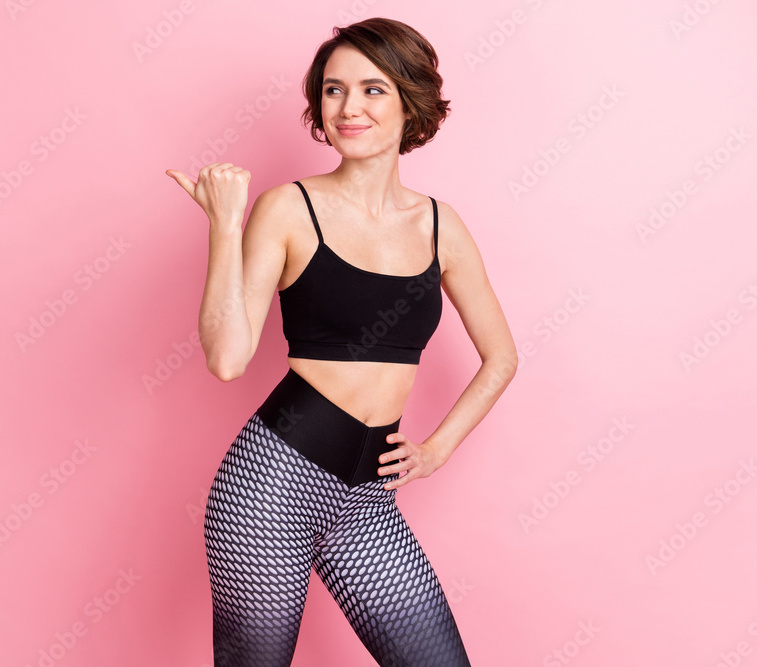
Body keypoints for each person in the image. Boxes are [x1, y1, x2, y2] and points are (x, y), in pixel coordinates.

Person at [166, 16, 516, 667]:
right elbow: (227, 359)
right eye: (333, 90)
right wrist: (224, 226)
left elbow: (502, 358)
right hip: (270, 491)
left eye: (372, 89)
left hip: (367, 503)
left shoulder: (441, 226)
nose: (349, 107)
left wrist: (436, 449)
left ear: (410, 101)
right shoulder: (288, 209)